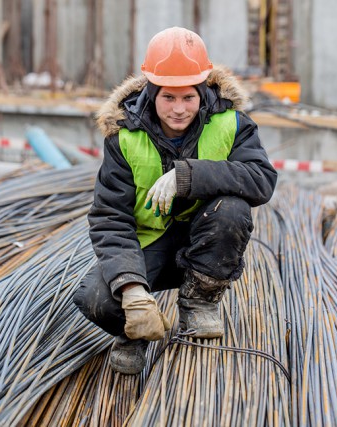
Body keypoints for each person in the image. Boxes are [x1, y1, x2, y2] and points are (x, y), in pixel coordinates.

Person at [73, 26, 277, 375]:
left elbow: (261, 180)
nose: (179, 109)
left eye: (188, 98)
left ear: (203, 91)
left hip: (206, 241)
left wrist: (189, 176)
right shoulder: (125, 137)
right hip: (149, 245)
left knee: (233, 210)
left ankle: (199, 300)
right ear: (151, 93)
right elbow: (110, 217)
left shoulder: (231, 123)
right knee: (94, 299)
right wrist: (131, 287)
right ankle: (136, 330)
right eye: (168, 97)